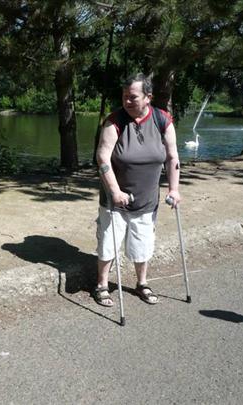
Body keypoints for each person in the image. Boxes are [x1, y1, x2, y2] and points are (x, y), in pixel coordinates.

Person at [94, 73, 181, 306]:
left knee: (142, 244)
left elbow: (172, 157)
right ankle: (102, 285)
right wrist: (115, 191)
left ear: (148, 97)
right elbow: (102, 158)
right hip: (115, 200)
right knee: (108, 244)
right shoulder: (114, 121)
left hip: (147, 199)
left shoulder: (162, 120)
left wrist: (174, 189)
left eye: (133, 97)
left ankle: (142, 283)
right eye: (124, 96)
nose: (127, 101)